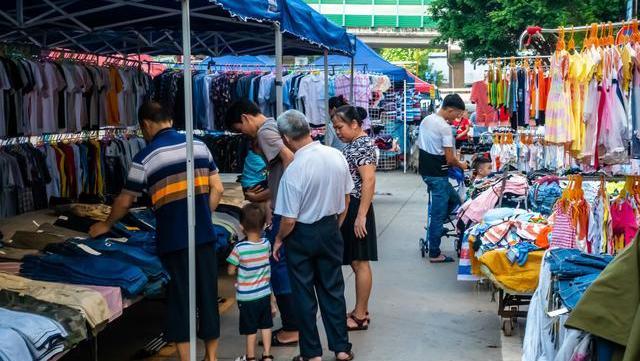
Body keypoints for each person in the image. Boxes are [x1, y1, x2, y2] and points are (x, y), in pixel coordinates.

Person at [88, 102, 224, 361]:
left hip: (173, 239)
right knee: (207, 295)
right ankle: (212, 356)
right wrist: (202, 216)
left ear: (146, 125)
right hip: (204, 235)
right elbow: (216, 188)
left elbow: (126, 200)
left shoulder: (146, 157)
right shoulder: (199, 146)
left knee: (180, 299)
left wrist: (105, 224)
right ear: (169, 119)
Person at [272, 110, 354, 361]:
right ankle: (341, 349)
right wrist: (335, 225)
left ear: (286, 138)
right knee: (333, 290)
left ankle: (312, 354)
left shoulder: (294, 170)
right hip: (330, 228)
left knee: (304, 295)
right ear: (308, 128)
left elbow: (288, 219)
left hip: (301, 235)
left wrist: (278, 240)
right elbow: (346, 197)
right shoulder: (336, 155)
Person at [224, 99, 300, 347]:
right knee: (284, 266)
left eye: (239, 128)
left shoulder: (266, 131)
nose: (242, 134)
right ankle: (293, 324)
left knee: (278, 267)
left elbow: (290, 160)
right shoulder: (274, 126)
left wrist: (288, 202)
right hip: (283, 206)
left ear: (246, 118)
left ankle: (291, 328)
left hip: (285, 209)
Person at [331, 105, 378, 332]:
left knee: (360, 261)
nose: (337, 132)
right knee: (356, 260)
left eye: (340, 127)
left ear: (355, 124)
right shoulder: (355, 144)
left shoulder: (362, 145)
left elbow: (368, 180)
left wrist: (361, 216)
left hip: (358, 206)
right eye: (335, 128)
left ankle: (360, 315)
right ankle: (361, 310)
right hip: (354, 206)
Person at [417, 94, 469, 263]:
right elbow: (450, 159)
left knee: (454, 199)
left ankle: (436, 226)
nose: (458, 118)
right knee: (439, 214)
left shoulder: (427, 120)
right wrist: (462, 165)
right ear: (450, 110)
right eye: (458, 114)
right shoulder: (445, 128)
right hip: (437, 174)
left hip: (426, 171)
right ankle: (434, 252)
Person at [227, 203, 274, 361]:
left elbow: (230, 270)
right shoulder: (266, 244)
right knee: (266, 325)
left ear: (241, 227)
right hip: (264, 293)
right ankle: (267, 355)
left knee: (250, 330)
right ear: (262, 225)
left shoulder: (239, 248)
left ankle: (251, 357)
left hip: (247, 297)